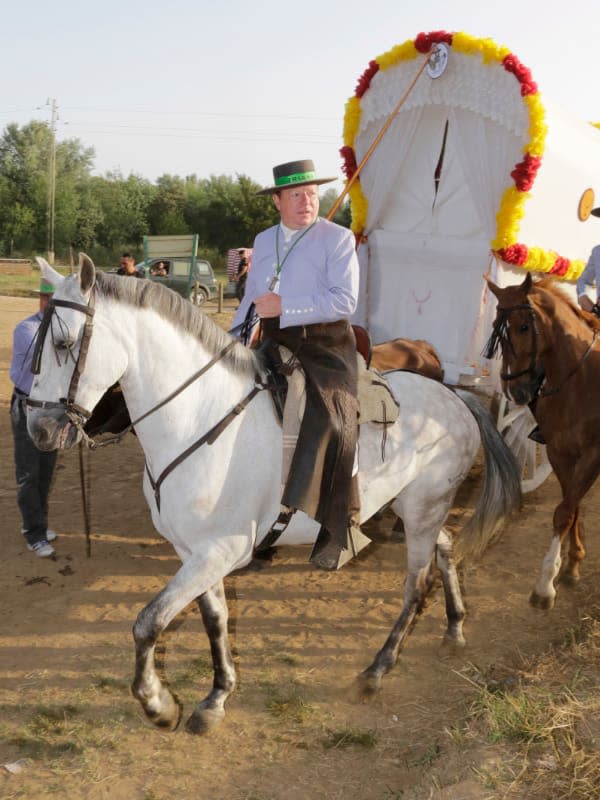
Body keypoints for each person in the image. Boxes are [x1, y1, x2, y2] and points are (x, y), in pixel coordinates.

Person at [232, 158, 370, 570]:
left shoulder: (338, 239)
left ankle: (339, 520)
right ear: (277, 200)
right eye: (296, 195)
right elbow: (253, 299)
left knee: (331, 418)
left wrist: (286, 306)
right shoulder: (264, 238)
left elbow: (345, 301)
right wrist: (232, 338)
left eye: (311, 194)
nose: (306, 202)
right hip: (273, 340)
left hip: (325, 344)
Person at [9, 278, 59, 557]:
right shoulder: (27, 329)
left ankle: (38, 522)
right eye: (44, 297)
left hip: (50, 409)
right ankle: (34, 533)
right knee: (29, 473)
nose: (48, 303)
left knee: (46, 471)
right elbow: (47, 360)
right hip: (27, 406)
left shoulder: (61, 330)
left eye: (53, 298)